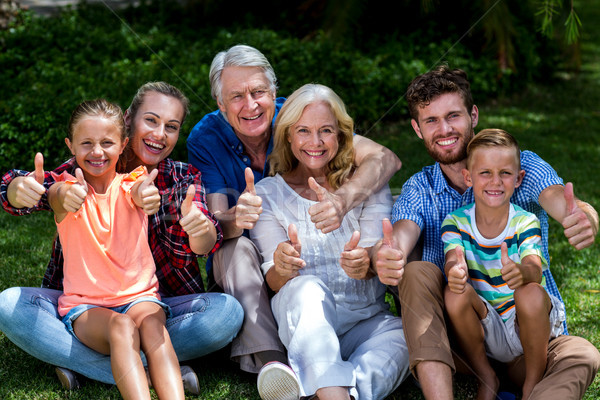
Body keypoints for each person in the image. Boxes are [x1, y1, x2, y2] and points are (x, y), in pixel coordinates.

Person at [373, 66, 600, 400]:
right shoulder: (420, 188)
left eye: (453, 116)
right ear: (417, 129)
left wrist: (582, 217)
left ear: (473, 115)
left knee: (583, 354)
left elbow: (560, 200)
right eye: (431, 120)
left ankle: (533, 391)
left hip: (529, 343)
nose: (445, 129)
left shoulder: (518, 166)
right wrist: (391, 253)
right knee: (417, 271)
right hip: (462, 346)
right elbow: (404, 232)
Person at [0, 82, 244, 393]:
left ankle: (90, 365)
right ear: (129, 121)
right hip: (87, 305)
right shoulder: (81, 170)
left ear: (120, 141)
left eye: (171, 126)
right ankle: (141, 369)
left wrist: (199, 228)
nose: (159, 133)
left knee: (224, 313)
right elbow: (48, 189)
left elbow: (153, 200)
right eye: (151, 120)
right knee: (10, 305)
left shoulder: (173, 178)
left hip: (150, 301)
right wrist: (18, 189)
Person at [186, 44, 402, 378]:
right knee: (235, 248)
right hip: (257, 267)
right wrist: (236, 217)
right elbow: (216, 227)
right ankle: (273, 361)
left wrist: (342, 201)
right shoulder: (206, 137)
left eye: (258, 91)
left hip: (313, 268)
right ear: (220, 103)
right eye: (237, 96)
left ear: (274, 93)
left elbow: (384, 159)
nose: (251, 105)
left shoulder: (301, 116)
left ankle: (324, 369)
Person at [249, 83, 410, 400]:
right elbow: (274, 278)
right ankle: (334, 391)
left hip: (363, 320)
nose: (315, 142)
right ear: (289, 136)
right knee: (308, 288)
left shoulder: (367, 183)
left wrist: (365, 265)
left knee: (406, 336)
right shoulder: (268, 192)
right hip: (302, 323)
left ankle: (332, 390)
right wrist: (283, 264)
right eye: (304, 131)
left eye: (326, 131)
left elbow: (374, 257)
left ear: (341, 135)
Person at [47, 98, 189, 399]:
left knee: (153, 327)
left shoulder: (131, 183)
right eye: (86, 143)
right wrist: (64, 196)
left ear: (123, 144)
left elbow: (141, 192)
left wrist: (147, 196)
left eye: (107, 143)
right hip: (86, 308)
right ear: (70, 146)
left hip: (140, 298)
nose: (97, 152)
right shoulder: (67, 187)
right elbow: (57, 196)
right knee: (122, 327)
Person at [441, 129, 566, 400]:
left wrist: (521, 272)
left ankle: (531, 384)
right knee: (454, 294)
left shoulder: (524, 221)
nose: (495, 181)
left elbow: (534, 265)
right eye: (485, 173)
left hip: (524, 325)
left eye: (505, 173)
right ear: (468, 177)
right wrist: (455, 270)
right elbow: (453, 256)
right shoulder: (456, 221)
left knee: (529, 291)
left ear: (518, 178)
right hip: (487, 324)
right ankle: (486, 376)